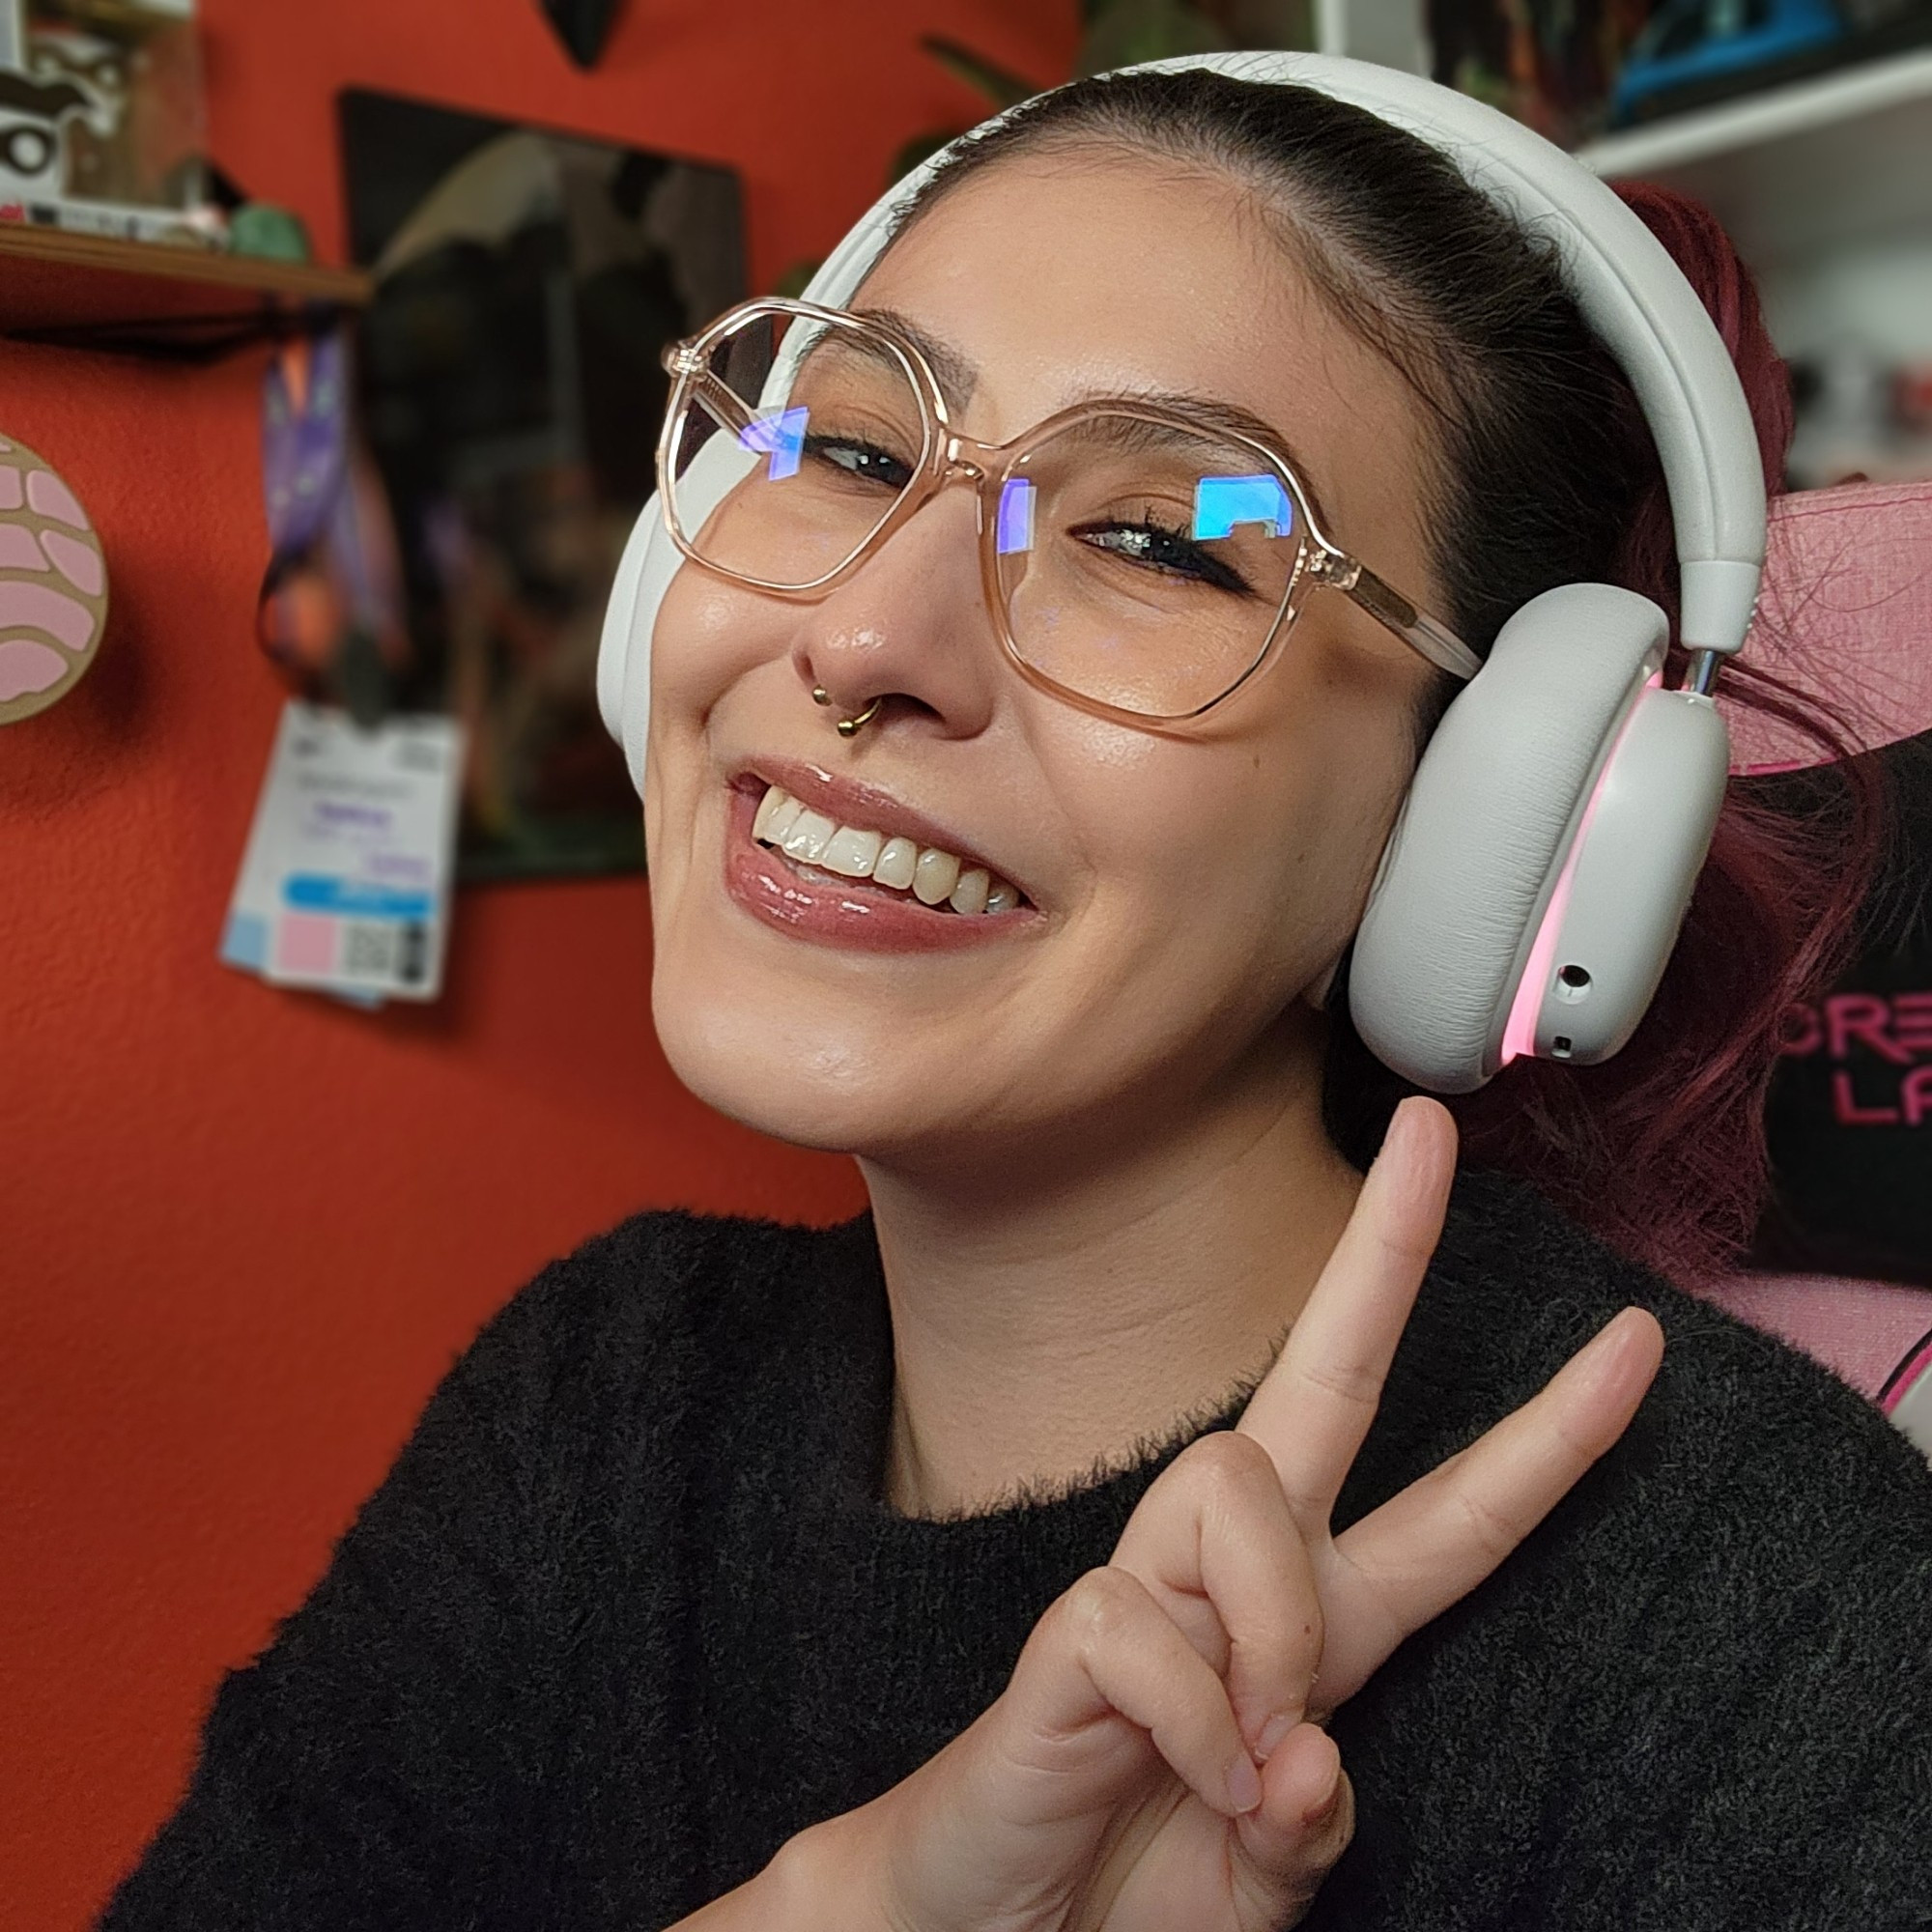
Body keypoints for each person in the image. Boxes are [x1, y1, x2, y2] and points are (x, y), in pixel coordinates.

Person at [103, 57, 1932, 1932]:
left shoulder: (1773, 1623)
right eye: (846, 448)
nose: (865, 637)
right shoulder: (599, 1407)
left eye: (1153, 541)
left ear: (1501, 816)